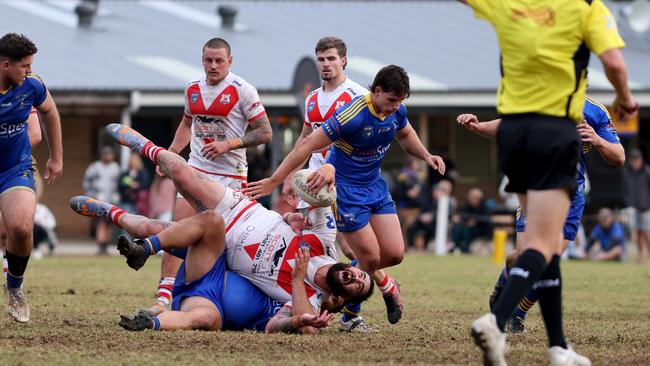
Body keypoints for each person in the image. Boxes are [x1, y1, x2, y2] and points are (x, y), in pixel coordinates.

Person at [96, 123, 373, 323]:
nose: (357, 277)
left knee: (151, 228)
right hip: (241, 209)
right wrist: (328, 170)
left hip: (220, 248)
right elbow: (318, 194)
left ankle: (111, 214)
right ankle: (146, 148)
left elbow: (299, 322)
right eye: (361, 274)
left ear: (345, 298)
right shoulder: (324, 240)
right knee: (181, 171)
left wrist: (299, 278)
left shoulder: (309, 297)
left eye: (358, 286)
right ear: (351, 265)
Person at [245, 65, 445, 326]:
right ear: (376, 91)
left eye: (400, 101)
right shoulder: (352, 114)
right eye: (392, 100)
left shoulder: (397, 111)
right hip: (346, 191)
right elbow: (307, 143)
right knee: (370, 257)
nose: (396, 106)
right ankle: (351, 307)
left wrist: (426, 155)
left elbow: (406, 134)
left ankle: (359, 284)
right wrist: (275, 179)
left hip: (375, 186)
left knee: (395, 253)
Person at [458, 95, 625, 337]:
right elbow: (509, 125)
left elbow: (619, 156)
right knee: (523, 258)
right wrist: (478, 126)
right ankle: (506, 280)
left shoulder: (595, 111)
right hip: (537, 190)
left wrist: (597, 140)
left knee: (547, 260)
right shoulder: (544, 97)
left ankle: (518, 313)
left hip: (572, 198)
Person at [150, 37, 272, 316]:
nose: (214, 65)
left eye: (219, 60)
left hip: (231, 175)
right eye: (209, 60)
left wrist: (228, 144)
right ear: (202, 60)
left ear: (230, 61)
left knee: (228, 241)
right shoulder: (192, 89)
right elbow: (186, 123)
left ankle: (219, 296)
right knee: (176, 230)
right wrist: (169, 154)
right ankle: (163, 297)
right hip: (197, 167)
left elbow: (265, 132)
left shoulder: (243, 90)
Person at [289, 36, 388, 331]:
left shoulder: (359, 96)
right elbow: (305, 139)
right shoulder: (312, 98)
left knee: (352, 251)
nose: (325, 65)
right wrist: (290, 176)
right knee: (321, 245)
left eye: (331, 58)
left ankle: (362, 302)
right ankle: (336, 307)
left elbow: (377, 136)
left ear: (344, 60)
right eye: (321, 59)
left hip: (345, 183)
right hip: (314, 184)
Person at [0, 33, 63, 323]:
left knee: (22, 227)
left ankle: (14, 287)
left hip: (16, 168)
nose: (29, 70)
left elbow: (50, 113)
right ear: (5, 65)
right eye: (24, 65)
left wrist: (56, 157)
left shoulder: (32, 85)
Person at [83, 146, 120, 255]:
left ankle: (105, 245)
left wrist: (117, 197)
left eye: (110, 154)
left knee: (109, 224)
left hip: (112, 200)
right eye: (106, 154)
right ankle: (100, 245)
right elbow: (87, 183)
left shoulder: (115, 167)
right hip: (98, 200)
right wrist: (91, 198)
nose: (108, 156)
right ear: (102, 155)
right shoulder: (95, 167)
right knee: (100, 223)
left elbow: (119, 184)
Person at [622, 149, 650, 263]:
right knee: (637, 232)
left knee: (647, 232)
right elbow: (625, 189)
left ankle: (649, 254)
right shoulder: (627, 173)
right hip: (634, 207)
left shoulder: (647, 172)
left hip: (646, 207)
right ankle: (640, 254)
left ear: (641, 160)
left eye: (637, 160)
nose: (635, 162)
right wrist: (628, 201)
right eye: (633, 160)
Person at [450, 188, 492, 254]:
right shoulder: (467, 206)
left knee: (467, 230)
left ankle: (465, 247)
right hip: (466, 227)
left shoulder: (484, 207)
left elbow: (486, 219)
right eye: (471, 198)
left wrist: (475, 221)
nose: (473, 199)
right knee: (457, 227)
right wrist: (458, 218)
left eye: (475, 198)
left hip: (480, 229)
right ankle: (456, 246)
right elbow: (462, 214)